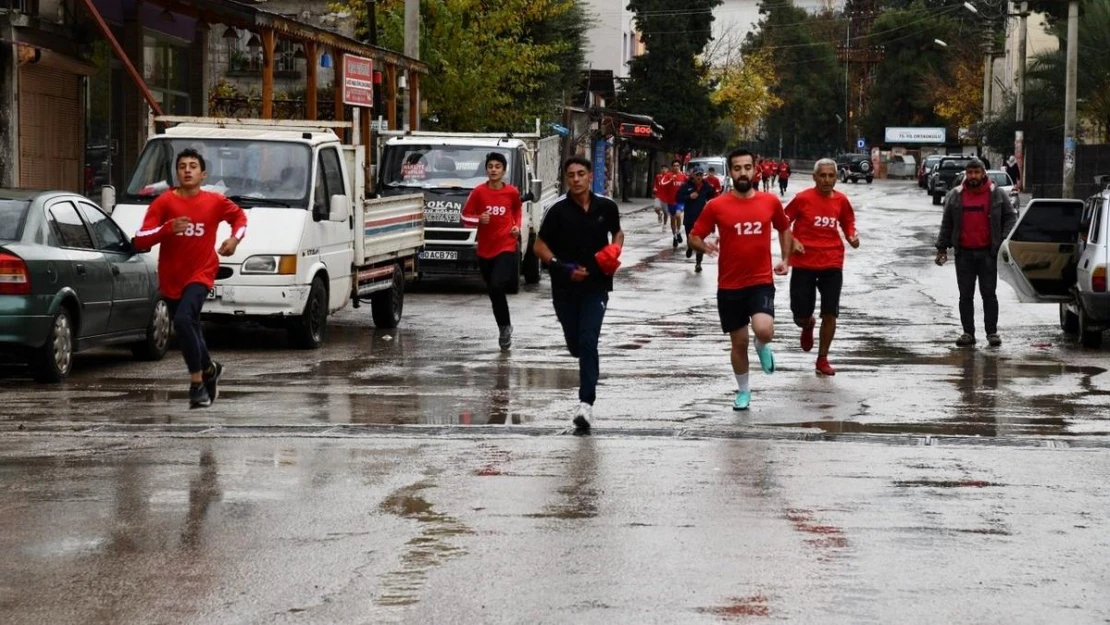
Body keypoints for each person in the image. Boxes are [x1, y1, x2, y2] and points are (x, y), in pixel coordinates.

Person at [133, 148, 247, 409]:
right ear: (177, 172)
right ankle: (209, 368)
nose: (187, 170)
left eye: (193, 166)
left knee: (184, 320)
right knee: (189, 326)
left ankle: (197, 384)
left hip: (202, 272)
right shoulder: (164, 203)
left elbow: (240, 218)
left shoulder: (214, 202)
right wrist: (167, 229)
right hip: (172, 276)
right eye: (182, 166)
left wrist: (234, 239)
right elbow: (140, 238)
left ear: (203, 174)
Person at [689, 148, 793, 411]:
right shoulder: (716, 206)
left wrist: (786, 259)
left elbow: (784, 227)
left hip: (760, 281)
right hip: (729, 286)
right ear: (731, 172)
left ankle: (763, 345)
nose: (743, 172)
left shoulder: (769, 202)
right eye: (737, 168)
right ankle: (743, 391)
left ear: (755, 169)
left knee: (763, 330)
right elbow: (694, 235)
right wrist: (705, 247)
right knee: (739, 343)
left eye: (747, 167)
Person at [534, 156, 624, 433]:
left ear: (589, 177)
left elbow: (618, 233)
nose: (576, 179)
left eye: (581, 174)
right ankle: (581, 358)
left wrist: (615, 250)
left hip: (596, 286)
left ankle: (586, 405)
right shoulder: (557, 210)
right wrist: (561, 266)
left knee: (588, 341)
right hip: (564, 288)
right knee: (576, 344)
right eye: (571, 175)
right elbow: (538, 246)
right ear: (566, 179)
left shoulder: (606, 207)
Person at [786, 158, 859, 376]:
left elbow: (848, 221)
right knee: (799, 315)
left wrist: (851, 236)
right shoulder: (802, 199)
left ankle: (822, 358)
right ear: (814, 177)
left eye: (831, 176)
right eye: (823, 176)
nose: (827, 180)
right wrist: (792, 241)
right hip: (804, 262)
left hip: (832, 261)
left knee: (831, 313)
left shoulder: (841, 200)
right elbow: (782, 221)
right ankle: (807, 325)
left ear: (836, 177)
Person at [935, 158, 1017, 347]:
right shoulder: (956, 195)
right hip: (964, 254)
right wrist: (941, 248)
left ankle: (992, 332)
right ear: (966, 174)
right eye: (970, 173)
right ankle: (968, 333)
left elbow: (1010, 219)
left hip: (988, 254)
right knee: (965, 296)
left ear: (983, 174)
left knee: (989, 294)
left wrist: (1002, 241)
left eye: (976, 172)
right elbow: (947, 223)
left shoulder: (996, 194)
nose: (973, 176)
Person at [461, 151, 523, 351]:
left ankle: (505, 329)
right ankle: (504, 326)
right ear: (486, 170)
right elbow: (464, 218)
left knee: (497, 286)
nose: (494, 170)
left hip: (506, 246)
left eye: (497, 166)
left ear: (504, 170)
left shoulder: (512, 192)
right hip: (485, 250)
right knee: (493, 291)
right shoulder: (479, 192)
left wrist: (516, 227)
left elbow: (517, 211)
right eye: (490, 166)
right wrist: (479, 219)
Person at [677, 167, 718, 272]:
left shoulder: (706, 186)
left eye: (700, 175)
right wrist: (689, 197)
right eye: (697, 175)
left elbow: (712, 196)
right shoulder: (686, 186)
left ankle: (698, 264)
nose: (699, 177)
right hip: (689, 217)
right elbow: (678, 198)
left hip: (701, 219)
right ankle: (690, 247)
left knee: (699, 241)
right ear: (692, 176)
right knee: (690, 239)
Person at [665, 159, 687, 249]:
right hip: (671, 201)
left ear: (680, 166)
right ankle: (675, 235)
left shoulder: (683, 176)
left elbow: (689, 185)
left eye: (678, 165)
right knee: (672, 218)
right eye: (674, 165)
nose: (676, 167)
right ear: (672, 167)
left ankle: (678, 232)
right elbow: (663, 186)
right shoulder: (668, 176)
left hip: (680, 201)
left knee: (678, 215)